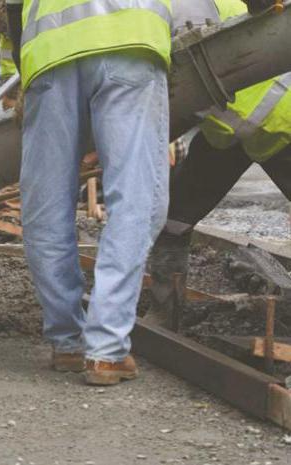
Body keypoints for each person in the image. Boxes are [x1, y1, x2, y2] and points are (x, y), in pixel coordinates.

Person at [5, 0, 172, 385]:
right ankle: (106, 350)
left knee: (45, 203)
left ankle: (68, 343)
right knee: (135, 198)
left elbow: (10, 7)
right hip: (131, 37)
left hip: (47, 51)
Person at [148, 0, 291, 327]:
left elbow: (190, 77)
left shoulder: (184, 7)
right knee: (173, 219)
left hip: (283, 125)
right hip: (227, 135)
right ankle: (163, 314)